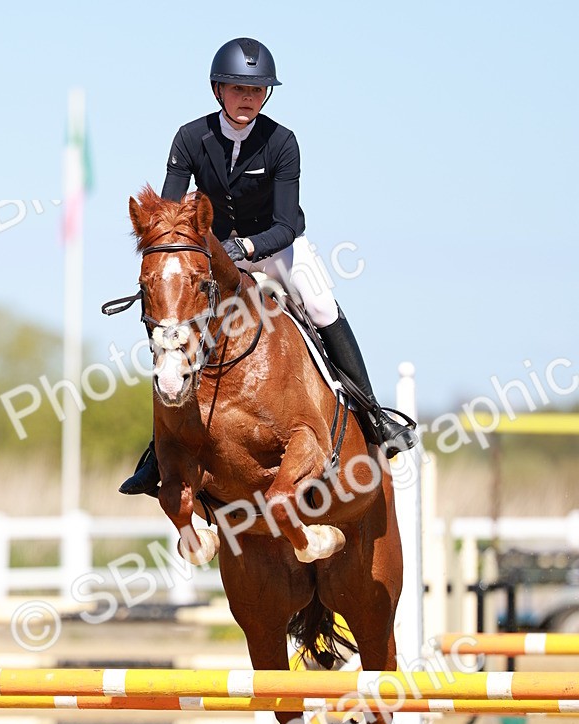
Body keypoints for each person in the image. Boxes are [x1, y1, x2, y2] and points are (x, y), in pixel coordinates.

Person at [120, 36, 418, 496]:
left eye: (257, 91)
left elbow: (285, 223)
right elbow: (171, 210)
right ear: (218, 90)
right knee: (177, 325)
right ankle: (157, 449)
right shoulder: (189, 137)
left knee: (321, 306)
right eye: (238, 89)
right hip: (214, 258)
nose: (248, 99)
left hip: (277, 249)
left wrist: (246, 248)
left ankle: (373, 415)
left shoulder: (282, 142)